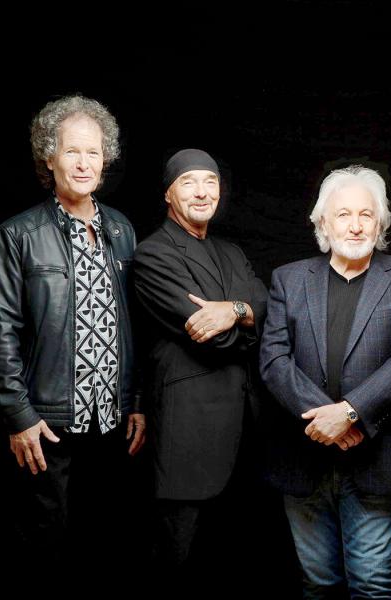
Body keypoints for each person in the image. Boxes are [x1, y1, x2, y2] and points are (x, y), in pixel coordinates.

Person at [0, 95, 145, 573]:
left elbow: (136, 322)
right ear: (49, 158)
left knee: (106, 540)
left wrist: (136, 401)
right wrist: (19, 415)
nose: (84, 163)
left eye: (93, 152)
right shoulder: (19, 234)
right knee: (46, 542)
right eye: (72, 151)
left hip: (112, 421)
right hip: (46, 423)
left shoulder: (122, 230)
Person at [260, 165, 391, 598]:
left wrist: (351, 413)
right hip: (304, 458)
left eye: (366, 215)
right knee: (319, 584)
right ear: (323, 223)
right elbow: (274, 360)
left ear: (381, 223)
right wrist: (327, 421)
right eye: (343, 214)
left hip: (377, 459)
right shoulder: (289, 279)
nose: (355, 225)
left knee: (371, 585)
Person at [132, 149, 268, 578]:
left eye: (210, 182)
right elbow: (215, 339)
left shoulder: (231, 251)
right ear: (168, 194)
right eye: (189, 182)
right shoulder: (153, 254)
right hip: (188, 436)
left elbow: (269, 309)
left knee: (230, 559)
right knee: (177, 559)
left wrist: (235, 309)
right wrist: (246, 315)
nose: (202, 192)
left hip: (245, 432)